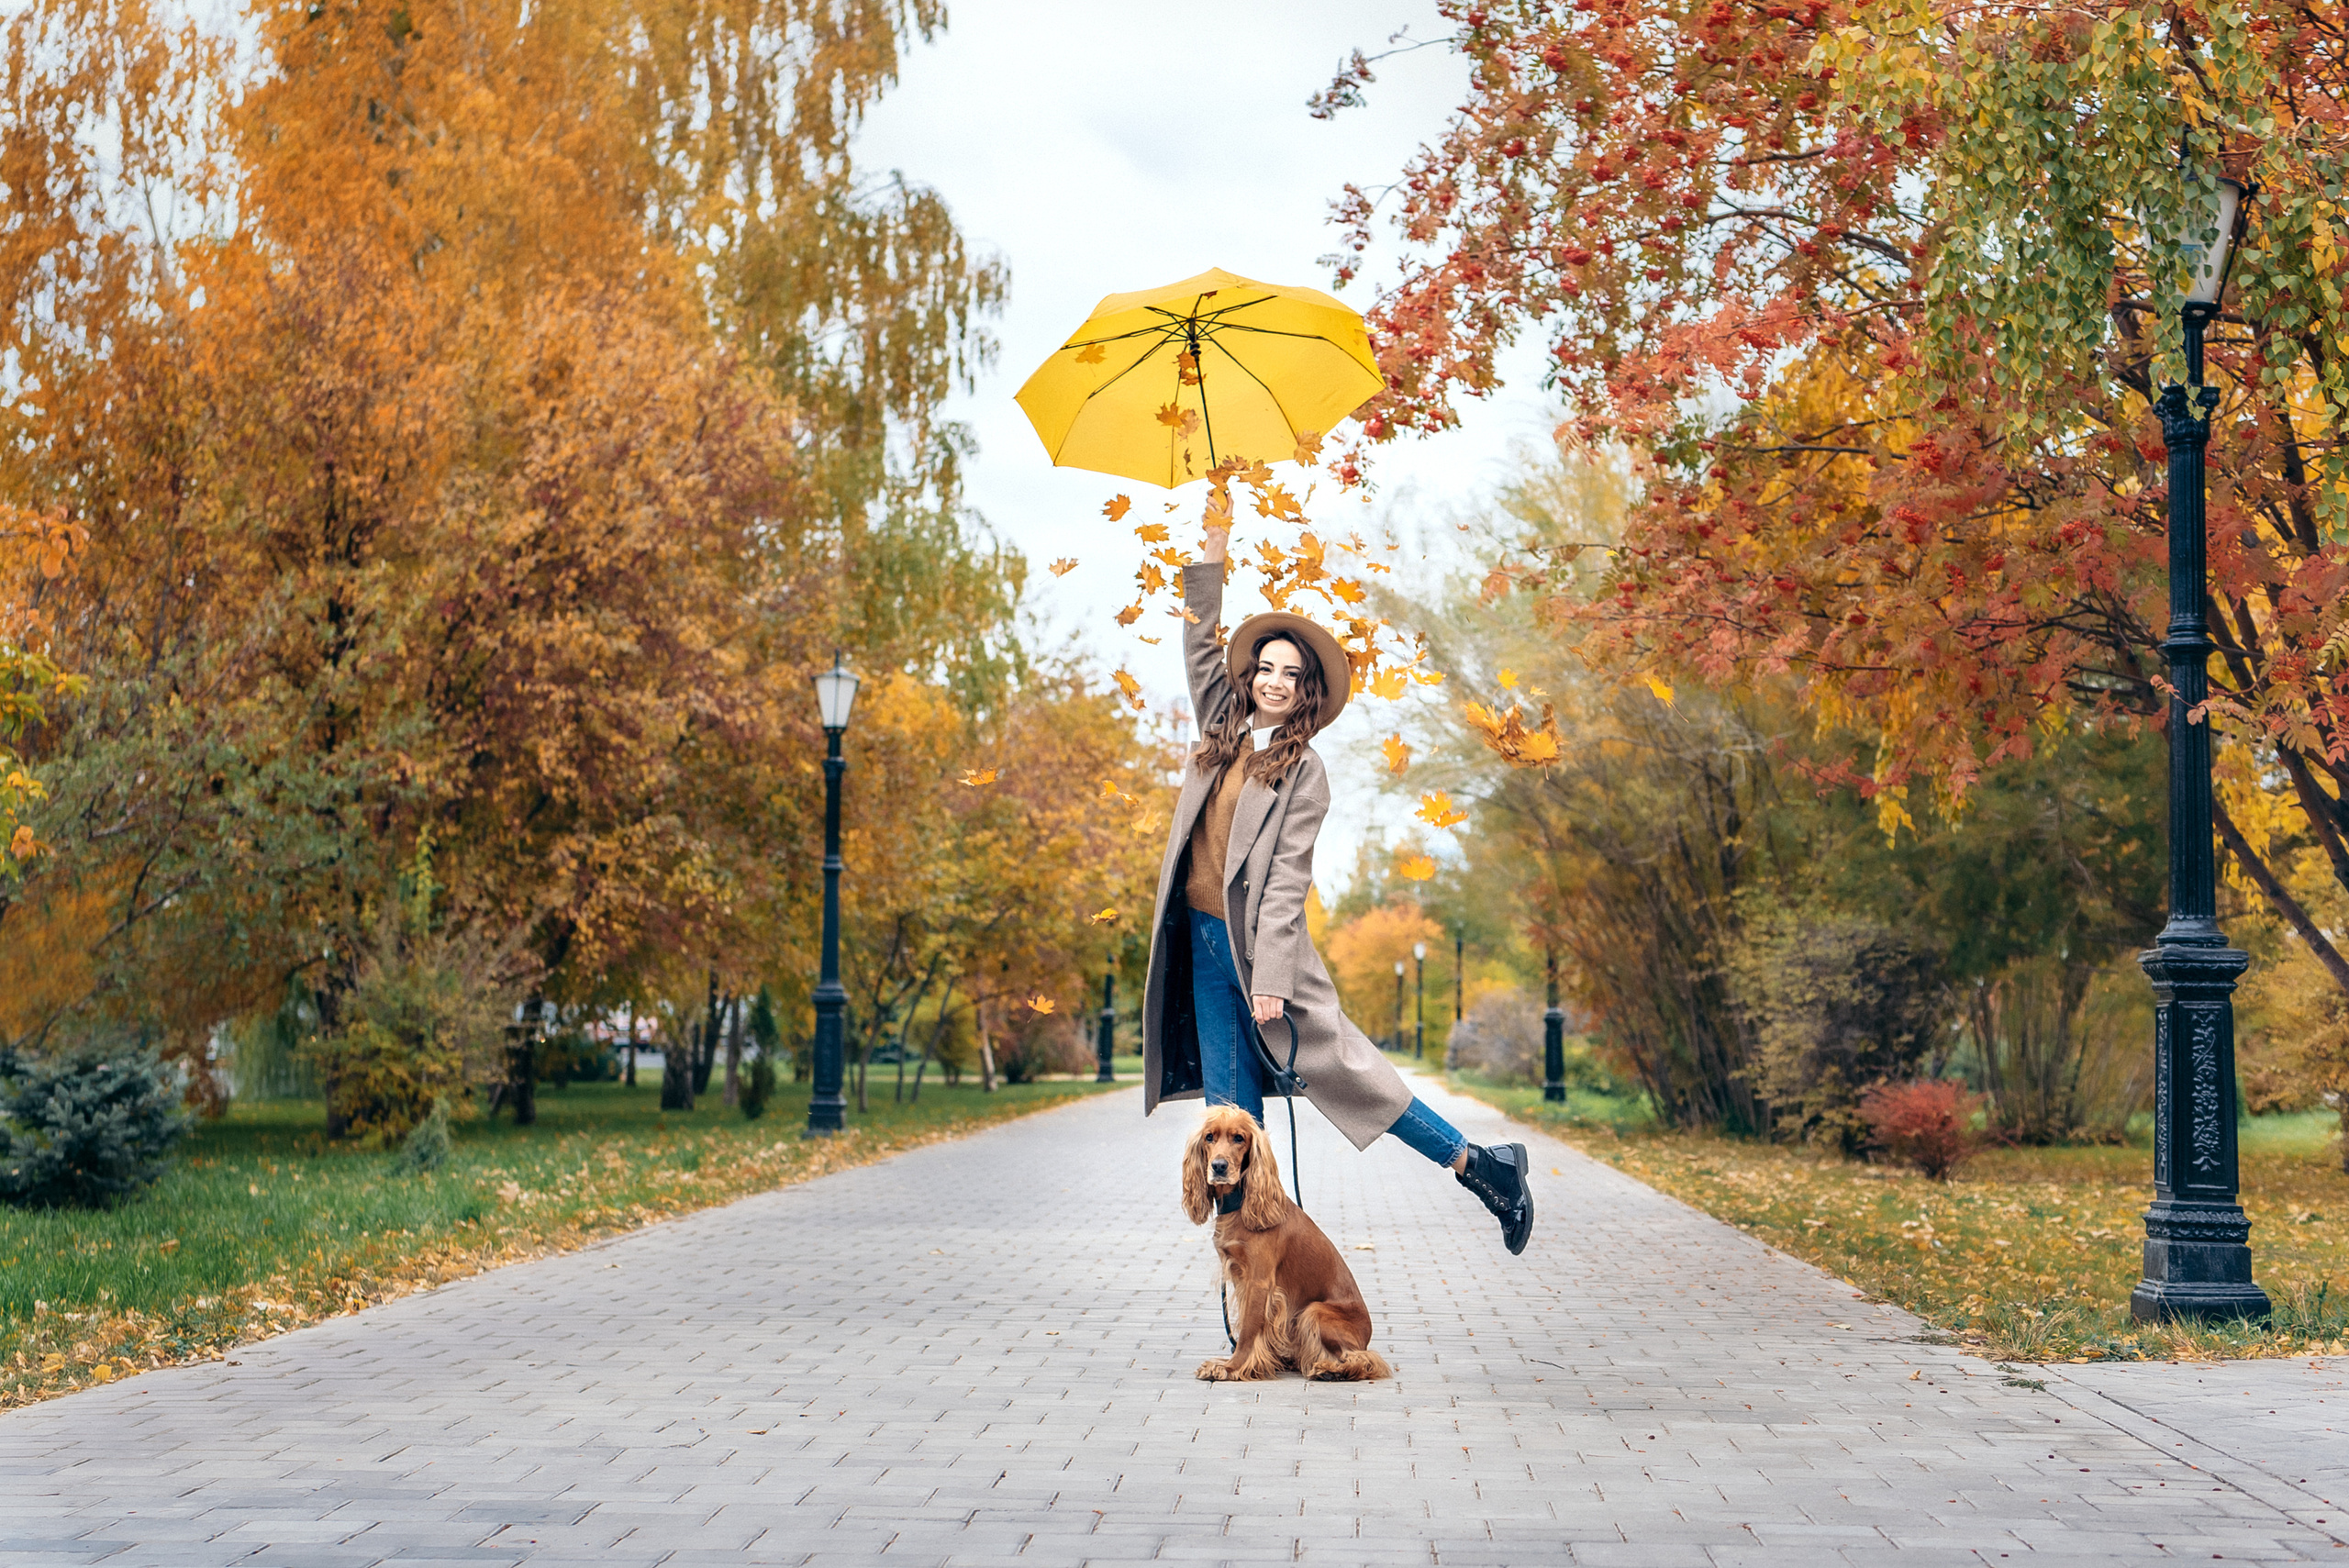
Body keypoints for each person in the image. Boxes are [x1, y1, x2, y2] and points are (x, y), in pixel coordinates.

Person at [1140, 517, 1534, 1254]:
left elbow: (1287, 882)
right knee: (1234, 1124)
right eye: (1267, 668)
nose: (1277, 682)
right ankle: (1248, 1296)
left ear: (1307, 689)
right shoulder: (1219, 729)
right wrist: (1212, 555)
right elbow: (1198, 644)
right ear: (1249, 673)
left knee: (1353, 1077)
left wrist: (1273, 978)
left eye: (1293, 674)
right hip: (1201, 945)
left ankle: (1481, 1166)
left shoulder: (1303, 770)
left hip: (1263, 957)